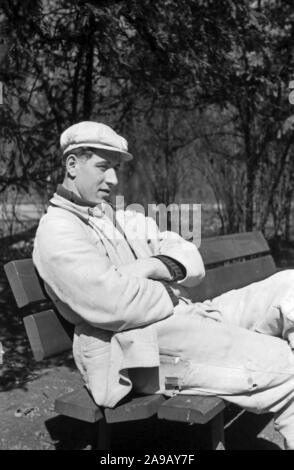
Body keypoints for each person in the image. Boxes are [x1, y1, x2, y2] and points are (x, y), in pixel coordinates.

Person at [33, 121, 294, 449]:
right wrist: (170, 287)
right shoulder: (58, 232)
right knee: (286, 368)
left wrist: (148, 266)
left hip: (188, 322)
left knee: (291, 285)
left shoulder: (120, 218)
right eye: (103, 167)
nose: (113, 179)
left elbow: (188, 256)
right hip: (141, 363)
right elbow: (113, 304)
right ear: (72, 165)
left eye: (115, 168)